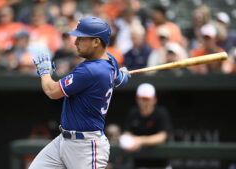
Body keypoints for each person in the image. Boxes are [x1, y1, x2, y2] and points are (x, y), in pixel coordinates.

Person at [29, 17, 130, 169]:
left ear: (96, 41)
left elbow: (52, 91)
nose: (75, 42)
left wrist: (44, 72)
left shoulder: (90, 70)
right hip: (63, 141)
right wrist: (123, 76)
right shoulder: (111, 61)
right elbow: (120, 81)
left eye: (81, 38)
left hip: (86, 147)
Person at [120, 83, 172, 169]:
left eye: (147, 99)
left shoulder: (161, 113)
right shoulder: (133, 113)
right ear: (137, 99)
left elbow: (162, 136)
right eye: (142, 99)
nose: (145, 102)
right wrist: (129, 142)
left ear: (154, 99)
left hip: (160, 164)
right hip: (140, 164)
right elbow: (127, 133)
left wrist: (139, 140)